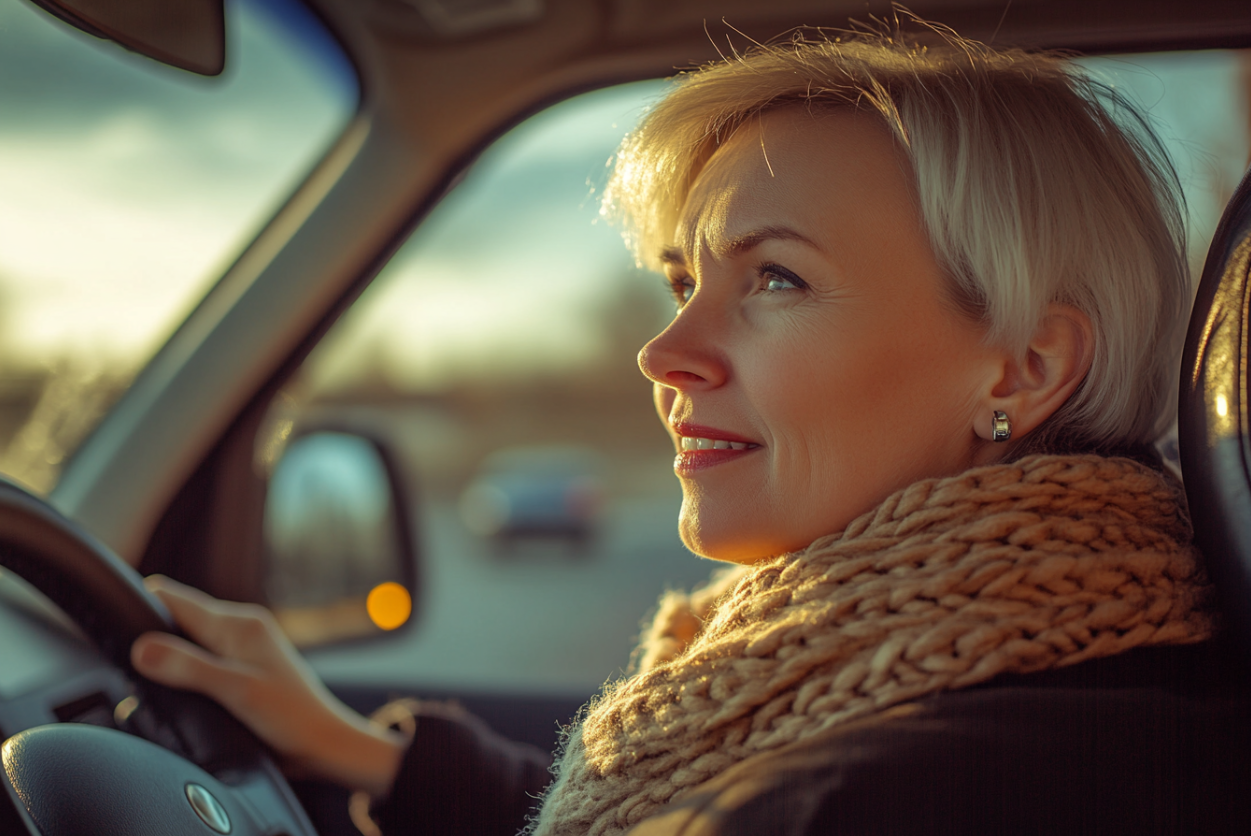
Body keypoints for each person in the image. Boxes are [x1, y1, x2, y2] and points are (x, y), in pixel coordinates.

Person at [130, 24, 1251, 836]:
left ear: (1028, 364)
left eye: (775, 277)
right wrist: (363, 750)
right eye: (682, 281)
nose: (664, 354)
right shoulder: (1083, 680)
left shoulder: (875, 794)